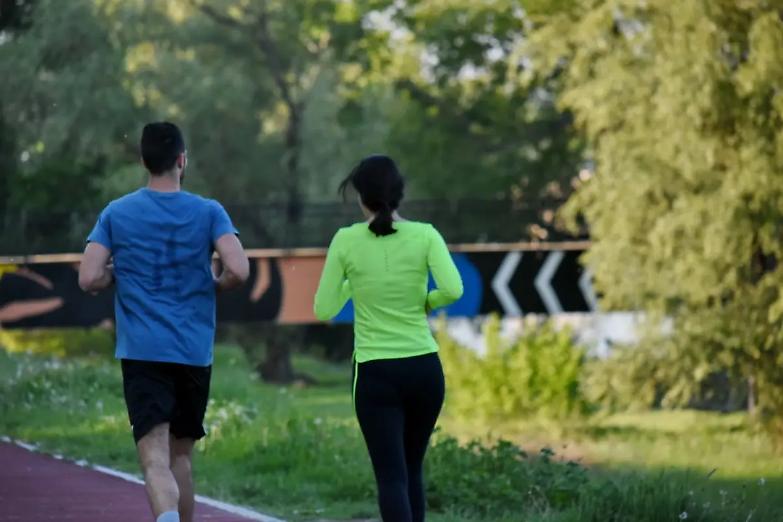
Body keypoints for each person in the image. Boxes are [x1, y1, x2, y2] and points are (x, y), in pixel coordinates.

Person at [78, 122, 249, 522]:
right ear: (181, 160)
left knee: (154, 457)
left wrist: (116, 275)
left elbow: (88, 277)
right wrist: (216, 285)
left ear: (144, 161)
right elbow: (239, 270)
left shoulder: (116, 212)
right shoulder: (209, 211)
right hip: (193, 351)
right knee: (181, 456)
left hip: (143, 352)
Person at [314, 155, 463, 522]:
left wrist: (355, 283)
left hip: (375, 373)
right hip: (424, 370)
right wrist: (427, 301)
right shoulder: (426, 235)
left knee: (391, 477)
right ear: (398, 194)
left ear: (361, 197)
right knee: (413, 469)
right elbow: (453, 289)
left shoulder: (346, 240)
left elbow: (324, 308)